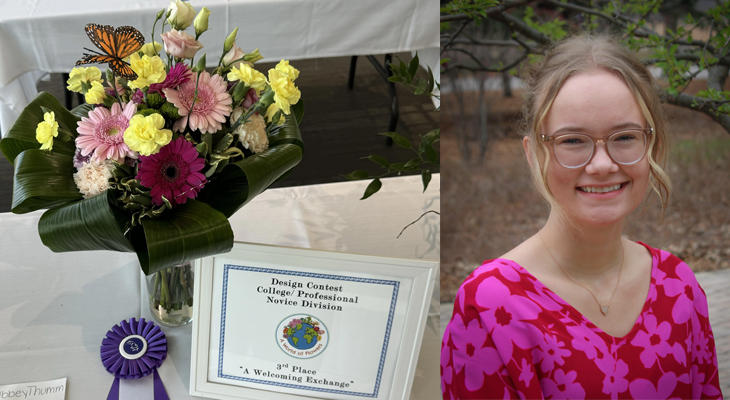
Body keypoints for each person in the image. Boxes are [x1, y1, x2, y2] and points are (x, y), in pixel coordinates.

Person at [440, 35, 723, 399]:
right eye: (572, 141)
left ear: (651, 144)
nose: (602, 165)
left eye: (624, 136)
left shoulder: (678, 286)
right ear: (534, 154)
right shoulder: (491, 308)